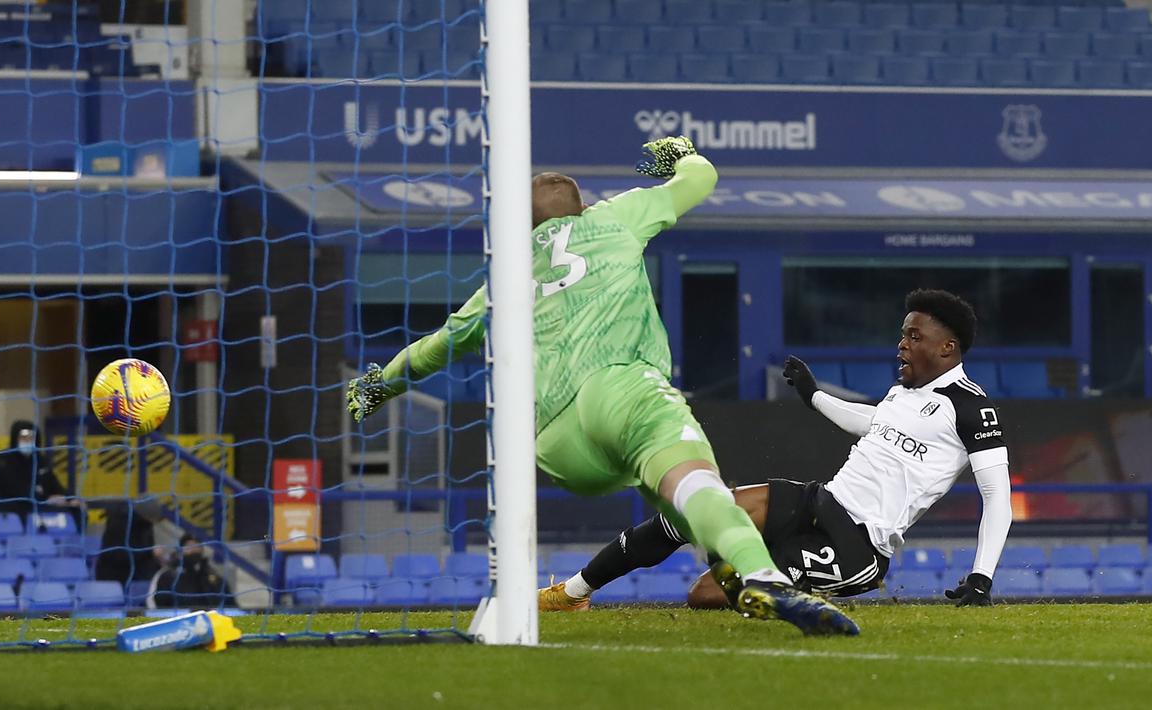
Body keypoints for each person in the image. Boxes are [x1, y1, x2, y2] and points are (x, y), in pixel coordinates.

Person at [347, 136, 859, 635]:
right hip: (621, 387)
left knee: (664, 490)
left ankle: (674, 571)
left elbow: (437, 346)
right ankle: (764, 577)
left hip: (557, 444)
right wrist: (680, 155)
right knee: (696, 483)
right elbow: (702, 178)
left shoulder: (503, 276)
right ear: (584, 208)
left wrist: (378, 387)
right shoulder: (612, 218)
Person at [542, 289, 1013, 610]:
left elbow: (998, 497)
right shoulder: (902, 394)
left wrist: (981, 577)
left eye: (914, 337)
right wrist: (814, 395)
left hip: (857, 545)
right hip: (817, 501)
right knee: (688, 513)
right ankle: (574, 592)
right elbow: (873, 422)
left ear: (948, 348)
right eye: (903, 334)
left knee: (704, 596)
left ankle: (792, 586)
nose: (902, 345)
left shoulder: (972, 408)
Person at [0, 420, 85, 528]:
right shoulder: (3, 459)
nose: (28, 441)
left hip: (40, 504)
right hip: (12, 506)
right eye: (24, 437)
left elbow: (54, 484)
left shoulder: (40, 459)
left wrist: (69, 499)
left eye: (31, 438)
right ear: (15, 438)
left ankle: (77, 536)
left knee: (76, 508)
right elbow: (15, 489)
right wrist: (46, 499)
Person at [149, 533, 233, 609]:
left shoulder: (212, 575)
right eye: (189, 546)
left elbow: (229, 602)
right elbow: (154, 603)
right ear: (180, 550)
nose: (194, 549)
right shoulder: (167, 575)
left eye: (197, 546)